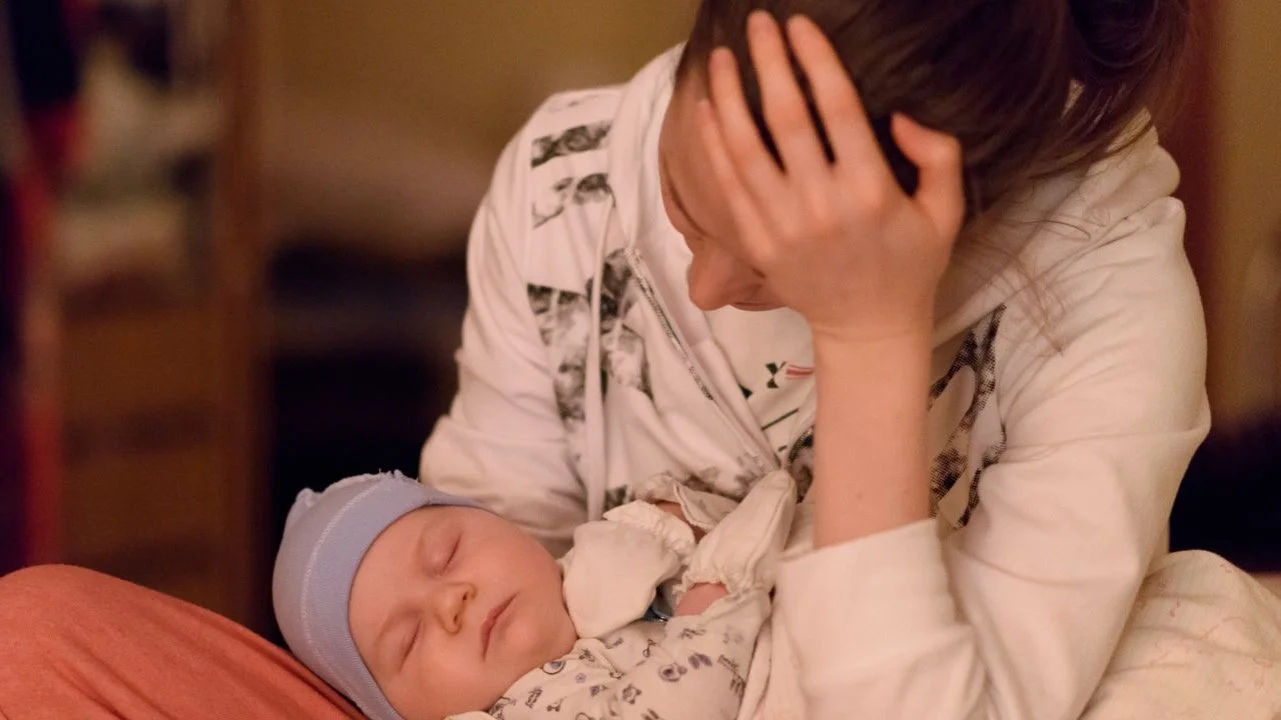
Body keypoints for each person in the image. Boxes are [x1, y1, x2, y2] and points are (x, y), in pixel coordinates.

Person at [0, 1, 1238, 718]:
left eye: (767, 271)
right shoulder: (570, 172)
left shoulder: (1100, 302)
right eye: (685, 209)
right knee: (35, 638)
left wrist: (870, 344)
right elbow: (479, 543)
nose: (700, 289)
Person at [271, 470, 796, 720]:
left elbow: (720, 515)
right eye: (408, 640)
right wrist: (715, 601)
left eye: (447, 554)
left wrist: (679, 523)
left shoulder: (595, 560)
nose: (450, 602)